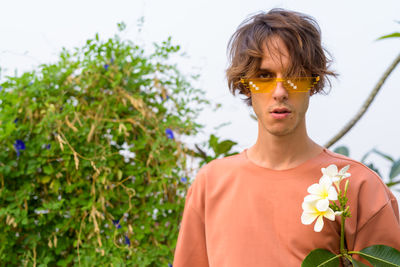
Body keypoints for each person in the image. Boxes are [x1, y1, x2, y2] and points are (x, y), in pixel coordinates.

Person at [172, 8, 400, 266]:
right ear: (245, 83)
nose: (280, 91)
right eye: (264, 76)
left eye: (294, 76)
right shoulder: (210, 184)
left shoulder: (356, 186)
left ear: (313, 82)